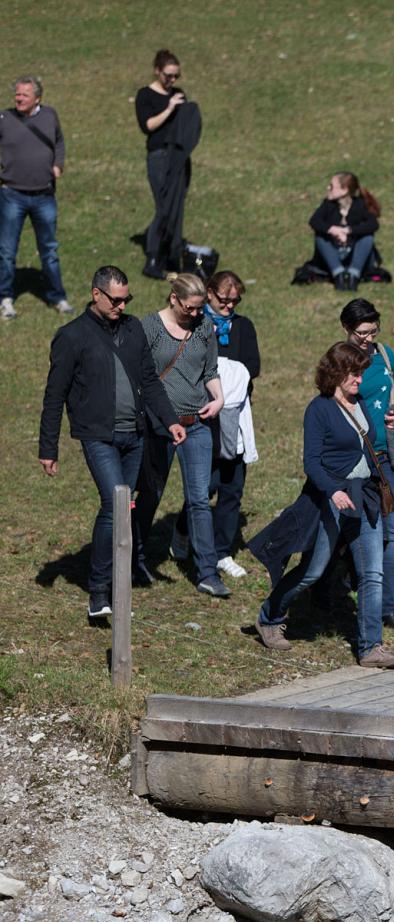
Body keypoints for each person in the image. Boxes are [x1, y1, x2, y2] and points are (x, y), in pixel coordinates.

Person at [38, 266, 185, 624]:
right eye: (116, 300)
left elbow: (149, 380)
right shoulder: (72, 336)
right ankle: (99, 591)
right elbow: (54, 395)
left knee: (124, 509)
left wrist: (170, 420)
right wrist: (48, 448)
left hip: (135, 436)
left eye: (126, 299)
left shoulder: (133, 329)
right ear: (96, 294)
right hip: (98, 437)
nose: (122, 306)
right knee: (114, 504)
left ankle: (118, 588)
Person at [247, 342, 394, 669]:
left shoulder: (360, 403)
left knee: (372, 573)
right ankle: (269, 617)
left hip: (365, 497)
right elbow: (312, 462)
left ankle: (371, 648)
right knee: (313, 571)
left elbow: (365, 444)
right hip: (333, 500)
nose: (359, 380)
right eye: (353, 373)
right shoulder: (318, 409)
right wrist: (333, 491)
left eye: (361, 373)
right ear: (335, 373)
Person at [131, 274, 227, 597]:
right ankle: (134, 560)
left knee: (199, 499)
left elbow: (210, 371)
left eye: (200, 308)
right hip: (159, 426)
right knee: (151, 493)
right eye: (190, 308)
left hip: (197, 423)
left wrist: (219, 398)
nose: (196, 314)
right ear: (174, 299)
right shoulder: (149, 327)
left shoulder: (204, 327)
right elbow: (139, 375)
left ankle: (207, 573)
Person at [171, 271, 259, 579]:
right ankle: (183, 530)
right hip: (201, 416)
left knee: (232, 486)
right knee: (205, 485)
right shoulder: (194, 326)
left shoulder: (243, 327)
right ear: (209, 293)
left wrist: (222, 377)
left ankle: (222, 551)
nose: (229, 305)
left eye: (235, 300)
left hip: (234, 418)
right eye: (224, 299)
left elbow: (252, 367)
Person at [341, 298, 394, 634]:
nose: (368, 339)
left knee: (390, 532)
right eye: (362, 333)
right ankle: (336, 585)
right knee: (350, 528)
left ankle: (387, 607)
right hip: (357, 457)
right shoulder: (341, 359)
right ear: (347, 328)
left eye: (373, 331)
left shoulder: (385, 354)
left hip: (387, 456)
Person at [0, 75, 70, 319]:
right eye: (17, 94)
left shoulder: (50, 116)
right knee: (7, 251)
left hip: (44, 195)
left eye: (24, 94)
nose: (18, 98)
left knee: (49, 250)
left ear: (37, 98)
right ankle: (5, 298)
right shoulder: (4, 118)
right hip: (11, 194)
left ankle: (57, 297)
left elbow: (59, 142)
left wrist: (58, 164)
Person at [135, 50, 199, 280]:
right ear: (157, 71)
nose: (172, 80)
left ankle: (172, 257)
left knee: (176, 208)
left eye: (176, 76)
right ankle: (152, 259)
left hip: (178, 157)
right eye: (168, 75)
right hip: (159, 156)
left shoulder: (179, 94)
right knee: (164, 208)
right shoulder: (145, 95)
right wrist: (170, 107)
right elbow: (148, 126)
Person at [309, 173, 380, 292]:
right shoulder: (328, 205)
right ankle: (338, 274)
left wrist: (348, 231)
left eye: (332, 186)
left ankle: (354, 274)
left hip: (354, 254)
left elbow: (373, 224)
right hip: (333, 253)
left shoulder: (360, 205)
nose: (328, 188)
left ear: (344, 190)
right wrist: (334, 230)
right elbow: (314, 221)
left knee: (367, 237)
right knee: (320, 236)